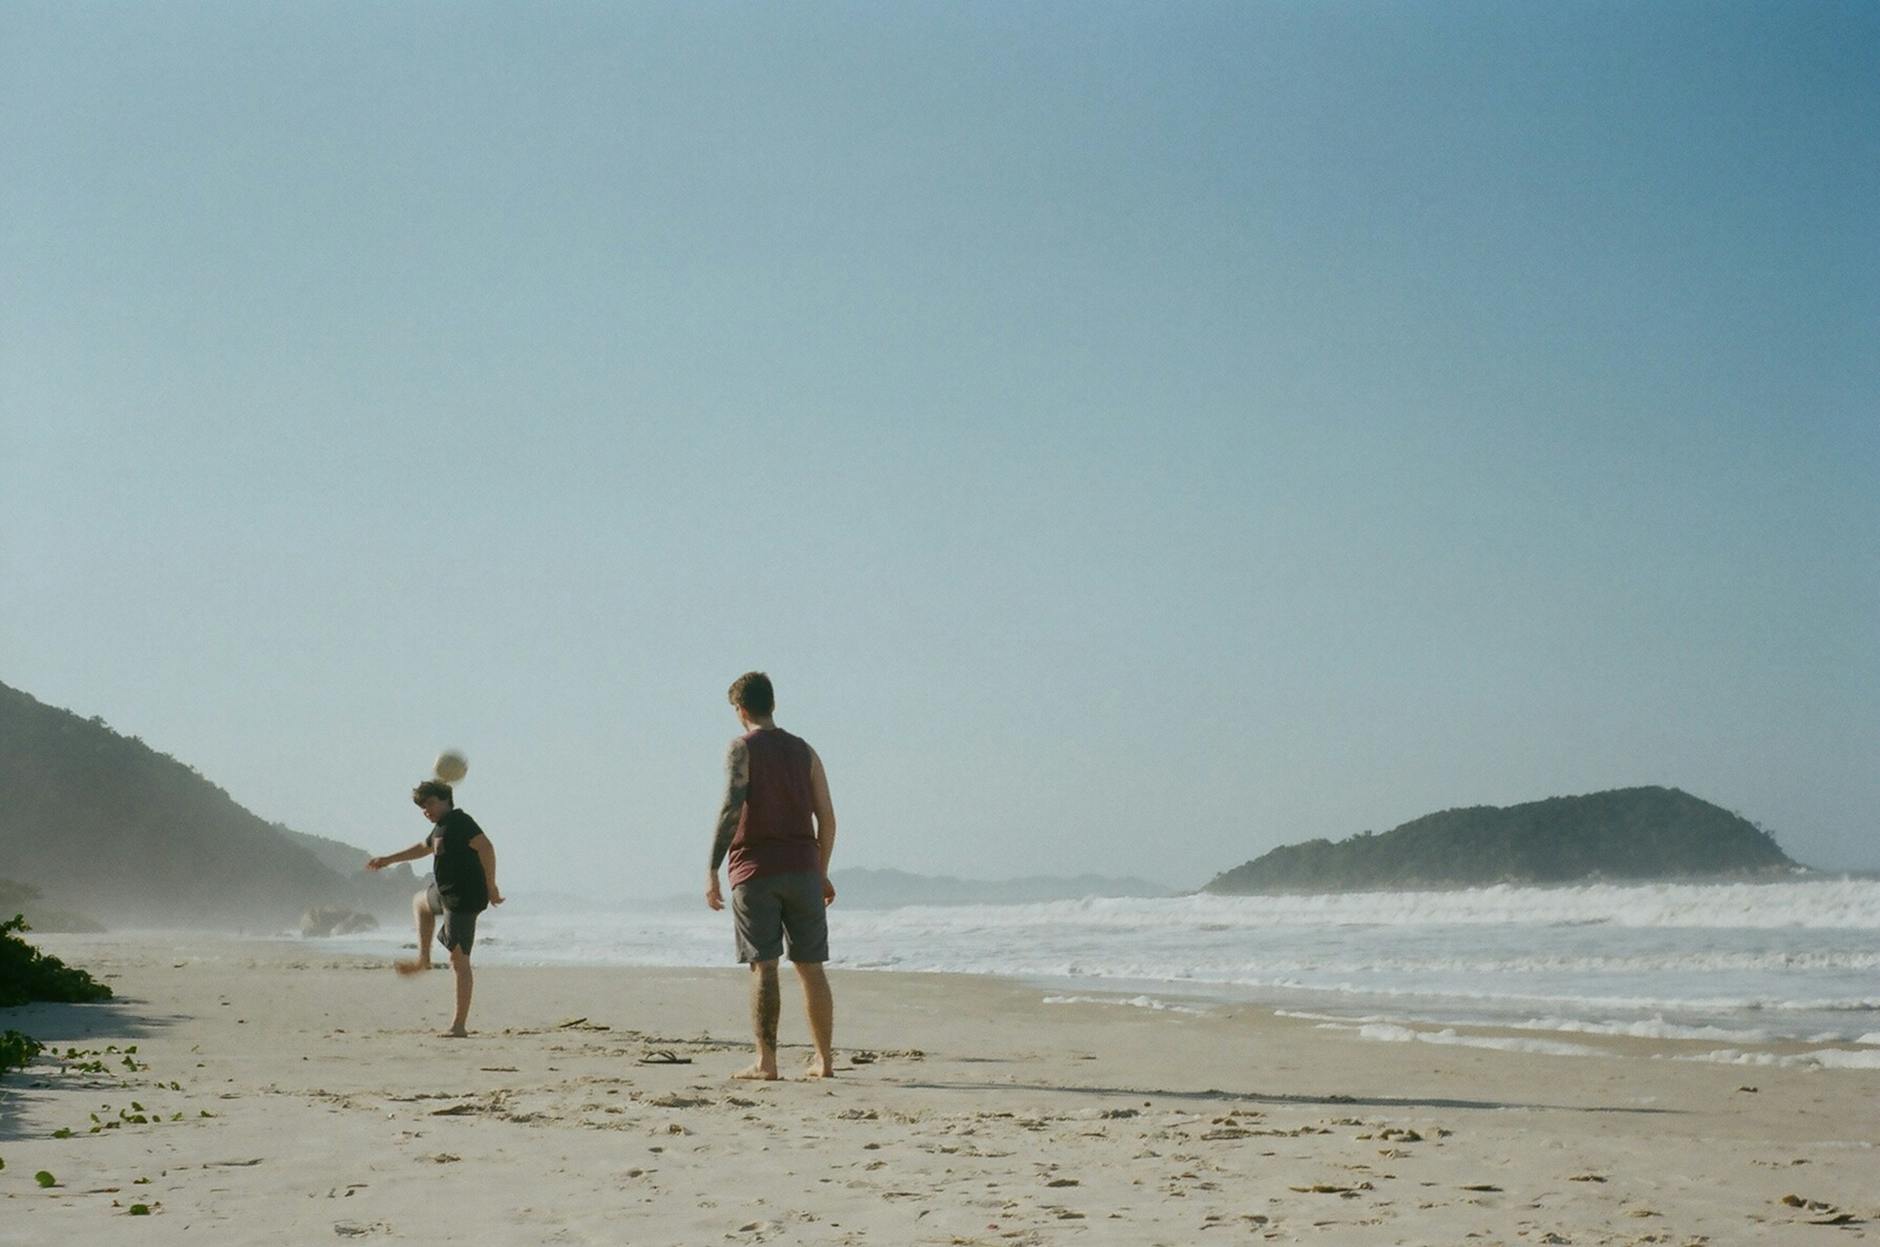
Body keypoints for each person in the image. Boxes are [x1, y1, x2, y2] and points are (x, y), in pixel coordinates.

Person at [705, 671, 838, 1079]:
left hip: (755, 869)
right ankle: (824, 1060)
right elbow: (827, 818)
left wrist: (712, 868)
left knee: (764, 965)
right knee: (811, 967)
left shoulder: (741, 748)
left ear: (741, 709)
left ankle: (766, 1062)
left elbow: (731, 809)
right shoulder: (805, 751)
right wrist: (821, 871)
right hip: (803, 868)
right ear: (773, 704)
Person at [366, 779, 502, 1037]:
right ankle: (423, 960)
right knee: (420, 902)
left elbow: (486, 847)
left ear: (446, 800)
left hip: (463, 898)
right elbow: (423, 847)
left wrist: (491, 886)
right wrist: (388, 860)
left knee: (459, 961)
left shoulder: (461, 822)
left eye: (430, 804)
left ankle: (458, 1026)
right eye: (422, 807)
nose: (426, 811)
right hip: (444, 892)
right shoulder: (440, 828)